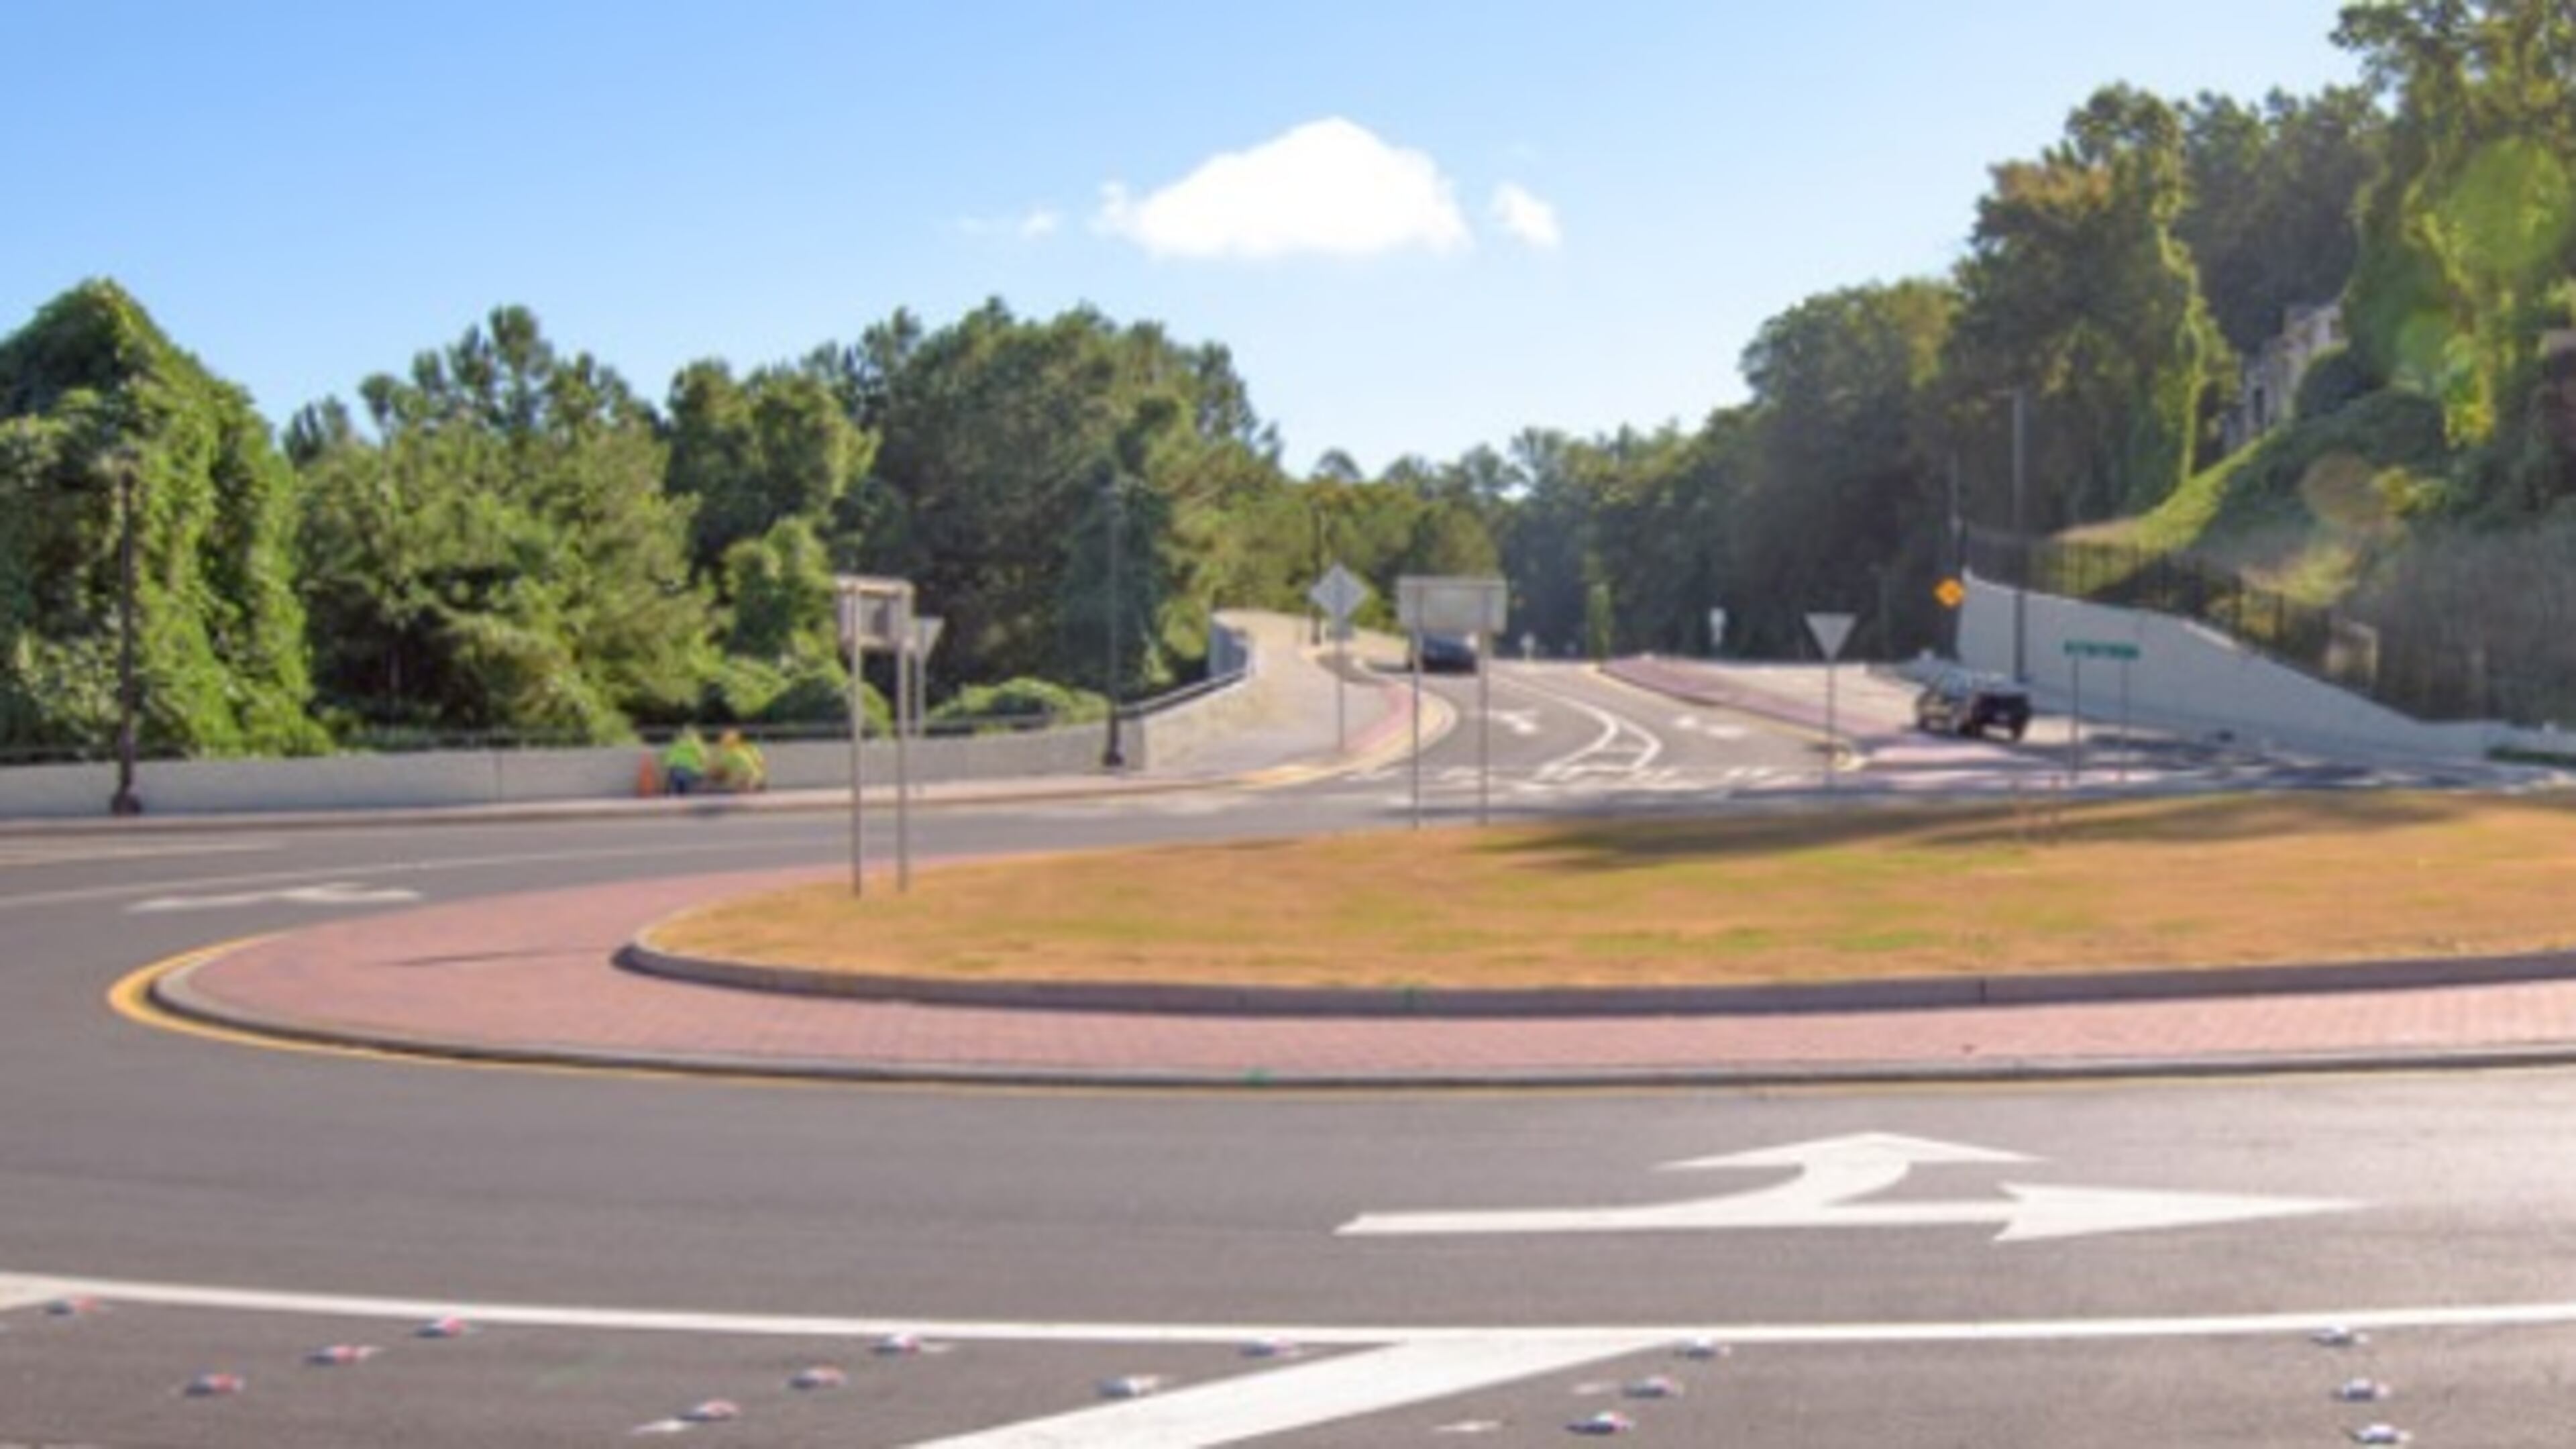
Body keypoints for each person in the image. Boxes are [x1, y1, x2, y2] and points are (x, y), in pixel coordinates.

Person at [712, 729, 766, 794]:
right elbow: (761, 763)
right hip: (756, 778)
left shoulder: (730, 754)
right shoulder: (748, 748)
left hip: (747, 780)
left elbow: (720, 771)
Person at [660, 727, 707, 796]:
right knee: (688, 791)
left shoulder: (676, 745)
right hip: (691, 772)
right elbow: (703, 758)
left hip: (677, 772)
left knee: (676, 789)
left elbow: (669, 762)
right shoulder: (696, 745)